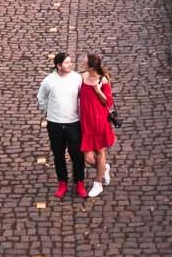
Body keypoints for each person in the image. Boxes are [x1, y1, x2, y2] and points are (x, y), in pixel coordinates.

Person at [37, 51, 86, 199]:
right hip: (55, 124)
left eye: (70, 62)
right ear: (58, 66)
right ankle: (62, 182)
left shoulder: (77, 78)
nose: (69, 64)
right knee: (58, 154)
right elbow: (41, 97)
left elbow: (84, 96)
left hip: (73, 123)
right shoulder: (49, 80)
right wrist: (48, 111)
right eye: (66, 62)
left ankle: (79, 182)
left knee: (77, 155)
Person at [78, 53, 115, 196]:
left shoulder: (103, 80)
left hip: (99, 121)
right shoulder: (81, 77)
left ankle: (98, 183)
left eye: (85, 62)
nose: (82, 63)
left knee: (100, 152)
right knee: (88, 158)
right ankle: (104, 168)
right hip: (85, 121)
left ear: (92, 66)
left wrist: (98, 90)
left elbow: (108, 101)